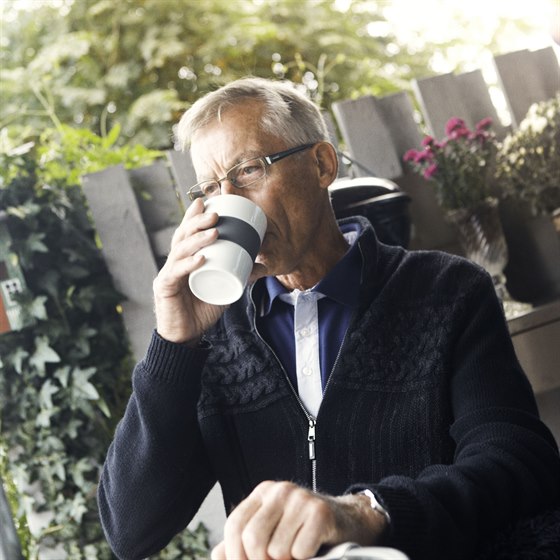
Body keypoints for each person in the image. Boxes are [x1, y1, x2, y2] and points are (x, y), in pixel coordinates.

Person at [98, 77, 560, 560]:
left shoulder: (446, 291)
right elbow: (131, 531)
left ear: (321, 164)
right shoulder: (212, 341)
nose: (227, 202)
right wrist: (173, 343)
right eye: (212, 188)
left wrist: (366, 512)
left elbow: (520, 463)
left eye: (249, 170)